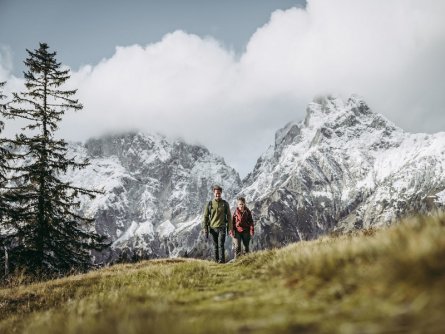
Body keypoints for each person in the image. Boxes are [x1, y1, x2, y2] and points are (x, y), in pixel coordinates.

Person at [202, 185, 232, 263]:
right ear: (213, 193)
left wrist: (229, 228)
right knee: (215, 246)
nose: (217, 195)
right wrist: (205, 228)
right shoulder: (210, 204)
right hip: (212, 228)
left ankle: (221, 261)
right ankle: (216, 261)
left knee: (221, 245)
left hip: (222, 227)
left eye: (219, 193)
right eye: (216, 193)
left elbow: (229, 216)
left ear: (221, 193)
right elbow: (205, 216)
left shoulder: (225, 204)